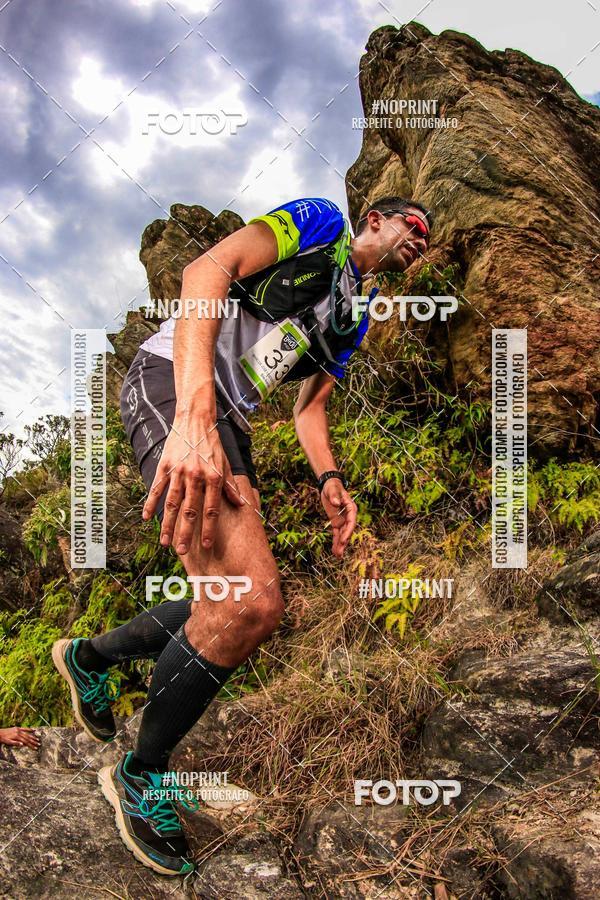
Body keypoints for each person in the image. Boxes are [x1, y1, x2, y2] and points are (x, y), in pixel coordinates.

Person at [52, 196, 432, 875]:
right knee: (249, 604)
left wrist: (329, 481)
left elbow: (309, 409)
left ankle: (91, 658)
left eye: (429, 241)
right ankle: (140, 775)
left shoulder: (356, 314)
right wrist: (195, 415)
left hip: (231, 419)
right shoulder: (318, 223)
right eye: (416, 227)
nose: (421, 242)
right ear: (375, 218)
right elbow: (207, 269)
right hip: (174, 382)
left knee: (231, 599)